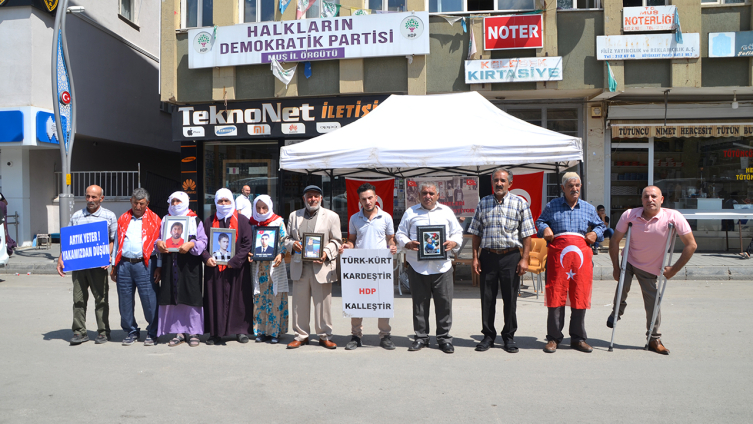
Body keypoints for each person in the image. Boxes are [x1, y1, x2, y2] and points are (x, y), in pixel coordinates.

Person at [608, 186, 697, 355]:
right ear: (641, 200)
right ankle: (616, 313)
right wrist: (616, 267)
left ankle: (654, 339)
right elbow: (614, 241)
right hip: (629, 260)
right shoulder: (629, 215)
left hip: (651, 267)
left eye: (654, 196)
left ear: (661, 199)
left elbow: (691, 245)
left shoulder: (673, 217)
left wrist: (674, 270)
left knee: (653, 302)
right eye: (646, 197)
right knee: (622, 287)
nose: (650, 200)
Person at [536, 172, 606, 354]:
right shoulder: (552, 206)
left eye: (577, 185)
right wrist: (546, 229)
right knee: (556, 294)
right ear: (563, 188)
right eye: (570, 186)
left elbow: (601, 226)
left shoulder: (588, 208)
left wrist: (595, 234)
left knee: (579, 294)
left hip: (580, 260)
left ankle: (578, 338)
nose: (574, 189)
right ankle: (553, 338)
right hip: (558, 258)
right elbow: (540, 222)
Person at [467, 169, 536, 353]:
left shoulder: (519, 203)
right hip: (488, 257)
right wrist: (475, 257)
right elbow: (476, 233)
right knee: (487, 299)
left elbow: (527, 234)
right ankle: (488, 336)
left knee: (510, 299)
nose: (499, 183)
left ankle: (509, 337)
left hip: (510, 257)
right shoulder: (484, 203)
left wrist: (524, 259)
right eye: (496, 180)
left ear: (510, 184)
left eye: (502, 181)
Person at [396, 181, 463, 354]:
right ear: (419, 195)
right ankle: (421, 338)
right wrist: (408, 243)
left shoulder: (446, 212)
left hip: (442, 267)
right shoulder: (410, 212)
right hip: (417, 267)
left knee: (444, 304)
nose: (428, 196)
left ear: (438, 195)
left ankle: (444, 338)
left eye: (431, 193)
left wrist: (454, 242)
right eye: (424, 193)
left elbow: (457, 232)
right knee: (419, 304)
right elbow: (400, 233)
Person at [339, 183, 398, 351]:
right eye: (364, 199)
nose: (367, 201)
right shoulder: (354, 218)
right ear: (360, 200)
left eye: (370, 198)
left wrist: (392, 246)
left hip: (380, 266)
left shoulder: (386, 217)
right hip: (359, 267)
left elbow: (390, 239)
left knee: (383, 300)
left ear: (376, 198)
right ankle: (356, 336)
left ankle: (385, 335)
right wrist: (347, 247)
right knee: (357, 300)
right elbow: (351, 240)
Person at [56, 185, 117, 345]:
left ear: (101, 198)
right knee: (78, 300)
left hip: (98, 266)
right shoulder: (77, 216)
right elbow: (68, 240)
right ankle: (79, 332)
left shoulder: (109, 216)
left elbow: (113, 240)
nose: (90, 200)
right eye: (88, 196)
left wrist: (108, 256)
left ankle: (103, 332)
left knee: (101, 299)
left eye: (94, 197)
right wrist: (61, 257)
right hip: (79, 266)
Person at [283, 185, 342, 350]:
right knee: (299, 304)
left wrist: (325, 252)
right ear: (304, 198)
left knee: (323, 304)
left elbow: (337, 241)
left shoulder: (331, 216)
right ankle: (301, 336)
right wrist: (292, 244)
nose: (313, 199)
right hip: (300, 266)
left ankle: (324, 336)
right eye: (309, 196)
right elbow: (286, 238)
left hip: (321, 266)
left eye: (316, 196)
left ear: (321, 198)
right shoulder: (294, 216)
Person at [154, 192, 206, 348]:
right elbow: (157, 238)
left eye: (179, 201)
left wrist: (191, 244)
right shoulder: (166, 220)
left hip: (190, 266)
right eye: (173, 201)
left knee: (190, 296)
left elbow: (203, 241)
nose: (176, 204)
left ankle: (193, 331)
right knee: (175, 297)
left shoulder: (195, 219)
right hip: (171, 264)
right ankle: (179, 332)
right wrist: (159, 244)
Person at [202, 188, 254, 345]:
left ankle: (240, 330)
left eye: (227, 201)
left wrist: (235, 261)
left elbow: (247, 243)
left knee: (238, 299)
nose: (224, 204)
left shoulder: (243, 221)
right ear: (215, 203)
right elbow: (202, 243)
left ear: (232, 201)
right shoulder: (209, 221)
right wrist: (206, 258)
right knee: (214, 299)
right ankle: (215, 333)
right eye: (220, 201)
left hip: (237, 268)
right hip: (215, 268)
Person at [111, 188, 162, 346]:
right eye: (135, 203)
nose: (138, 206)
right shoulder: (123, 218)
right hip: (124, 264)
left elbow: (160, 247)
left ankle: (153, 332)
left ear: (147, 203)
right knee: (124, 300)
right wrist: (114, 266)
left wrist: (159, 267)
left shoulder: (155, 220)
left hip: (146, 264)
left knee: (149, 300)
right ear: (131, 202)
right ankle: (131, 331)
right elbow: (117, 244)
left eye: (141, 203)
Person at [247, 195, 288, 344]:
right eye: (258, 208)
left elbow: (285, 240)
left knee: (275, 297)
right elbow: (247, 242)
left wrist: (281, 254)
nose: (261, 210)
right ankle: (261, 331)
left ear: (269, 207)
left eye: (264, 207)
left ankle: (274, 332)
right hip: (258, 267)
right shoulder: (251, 222)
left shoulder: (278, 221)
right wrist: (249, 252)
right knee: (259, 298)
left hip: (274, 265)